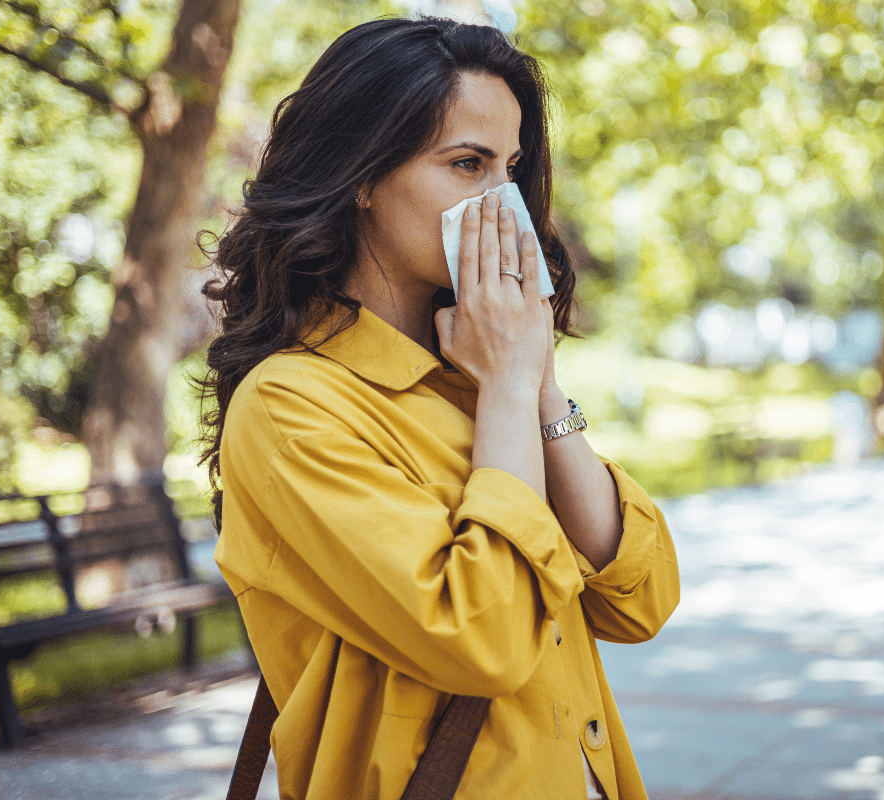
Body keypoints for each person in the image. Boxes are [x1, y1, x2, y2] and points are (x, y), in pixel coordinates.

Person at [201, 16, 680, 800]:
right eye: (466, 164)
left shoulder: (477, 372)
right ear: (362, 175)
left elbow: (642, 597)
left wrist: (537, 382)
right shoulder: (292, 407)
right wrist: (505, 389)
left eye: (511, 170)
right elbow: (483, 639)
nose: (503, 205)